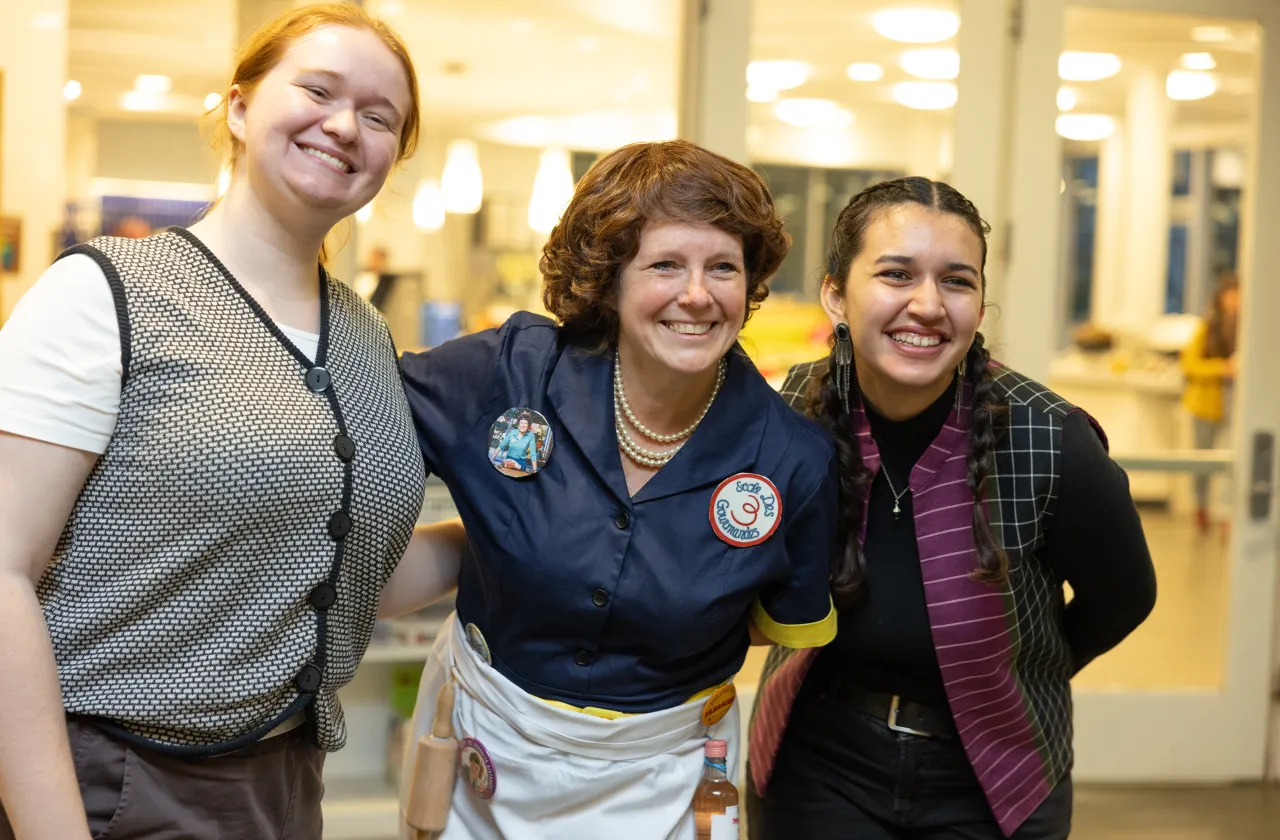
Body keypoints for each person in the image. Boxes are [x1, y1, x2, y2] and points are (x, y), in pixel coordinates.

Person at [0, 6, 463, 839]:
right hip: (110, 777)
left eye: (379, 116)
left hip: (284, 789)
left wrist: (515, 531)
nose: (343, 125)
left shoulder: (363, 335)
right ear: (242, 108)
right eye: (317, 90)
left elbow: (324, 570)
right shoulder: (107, 293)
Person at [395, 139, 841, 840]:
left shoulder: (794, 459)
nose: (697, 294)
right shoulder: (508, 373)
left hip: (665, 775)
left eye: (722, 267)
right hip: (485, 751)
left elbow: (773, 624)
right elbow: (347, 424)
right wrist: (462, 546)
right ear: (609, 279)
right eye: (665, 264)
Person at [745, 177, 1158, 840]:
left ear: (981, 305)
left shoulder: (1050, 437)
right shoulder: (797, 408)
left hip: (994, 773)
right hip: (819, 762)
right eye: (896, 274)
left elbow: (1125, 596)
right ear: (835, 294)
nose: (928, 305)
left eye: (958, 282)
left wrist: (1014, 676)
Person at [1180, 273, 1239, 532]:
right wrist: (1222, 368)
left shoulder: (1248, 328)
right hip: (1206, 404)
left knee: (1229, 461)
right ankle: (1201, 508)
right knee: (1202, 460)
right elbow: (1190, 365)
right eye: (1231, 294)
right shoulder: (1207, 328)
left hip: (1234, 406)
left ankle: (1227, 514)